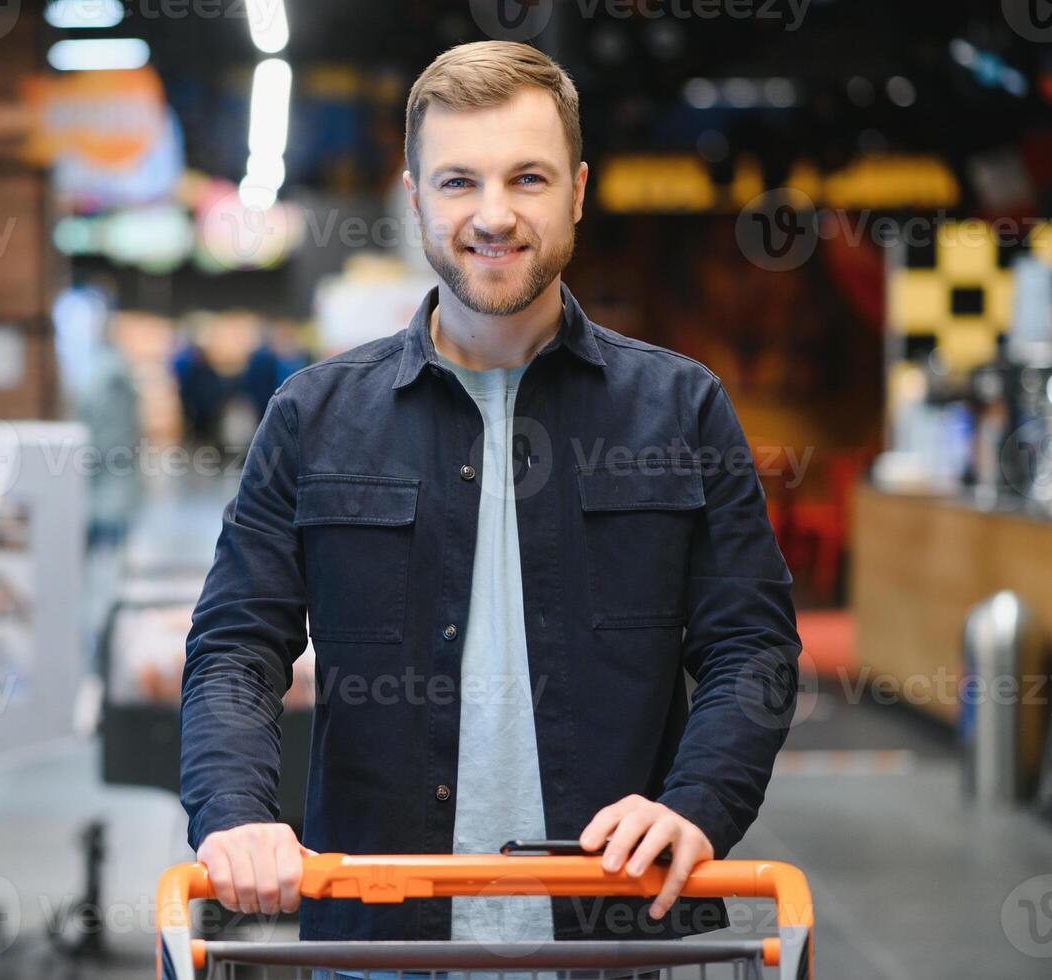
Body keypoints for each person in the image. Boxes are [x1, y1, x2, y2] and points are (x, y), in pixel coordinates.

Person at [180, 40, 801, 953]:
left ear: (577, 191)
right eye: (459, 181)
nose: (494, 215)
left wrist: (696, 807)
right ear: (415, 198)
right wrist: (236, 814)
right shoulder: (313, 417)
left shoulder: (680, 408)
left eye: (529, 178)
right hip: (379, 943)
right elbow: (236, 648)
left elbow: (752, 649)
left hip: (615, 935)